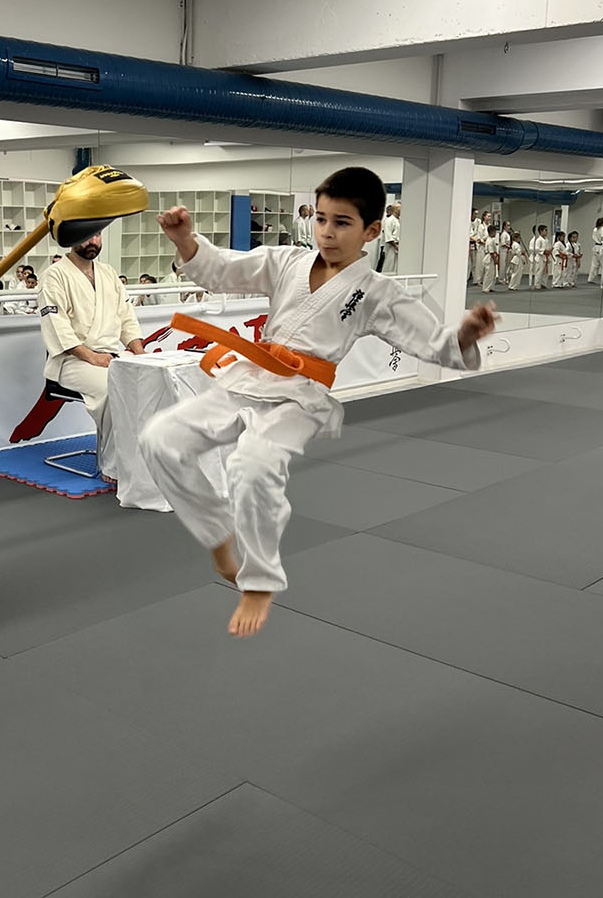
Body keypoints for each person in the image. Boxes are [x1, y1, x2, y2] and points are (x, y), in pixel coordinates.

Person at [139, 166, 496, 638]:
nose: (326, 232)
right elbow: (222, 270)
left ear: (372, 231)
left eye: (342, 223)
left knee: (252, 466)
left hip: (301, 396)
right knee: (159, 439)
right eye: (321, 219)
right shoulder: (287, 260)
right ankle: (218, 535)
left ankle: (260, 580)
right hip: (249, 376)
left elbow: (431, 340)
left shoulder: (377, 292)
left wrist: (465, 335)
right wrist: (185, 239)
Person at [37, 231, 145, 473]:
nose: (92, 242)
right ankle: (114, 465)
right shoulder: (54, 275)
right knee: (114, 387)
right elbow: (57, 326)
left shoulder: (109, 273)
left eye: (96, 235)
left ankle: (142, 458)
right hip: (71, 361)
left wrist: (141, 354)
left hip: (110, 357)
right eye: (86, 236)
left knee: (149, 381)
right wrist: (92, 357)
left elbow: (127, 319)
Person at [481, 223, 500, 293]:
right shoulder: (490, 240)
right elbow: (491, 252)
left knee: (492, 274)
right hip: (489, 258)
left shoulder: (491, 239)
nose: (495, 233)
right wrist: (495, 260)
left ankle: (491, 287)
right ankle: (485, 288)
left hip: (491, 258)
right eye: (495, 232)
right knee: (488, 274)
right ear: (492, 232)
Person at [588, 217, 603, 284]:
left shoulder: (595, 229)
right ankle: (602, 279)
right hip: (601, 247)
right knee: (602, 264)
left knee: (594, 264)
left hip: (595, 246)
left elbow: (593, 237)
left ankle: (590, 279)